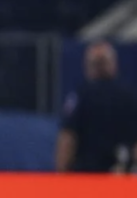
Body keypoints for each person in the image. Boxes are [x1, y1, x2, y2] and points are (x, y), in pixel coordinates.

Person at [56, 40, 137, 173]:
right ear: (113, 65)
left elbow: (67, 137)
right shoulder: (130, 97)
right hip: (119, 175)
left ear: (89, 67)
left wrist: (61, 173)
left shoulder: (81, 96)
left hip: (86, 177)